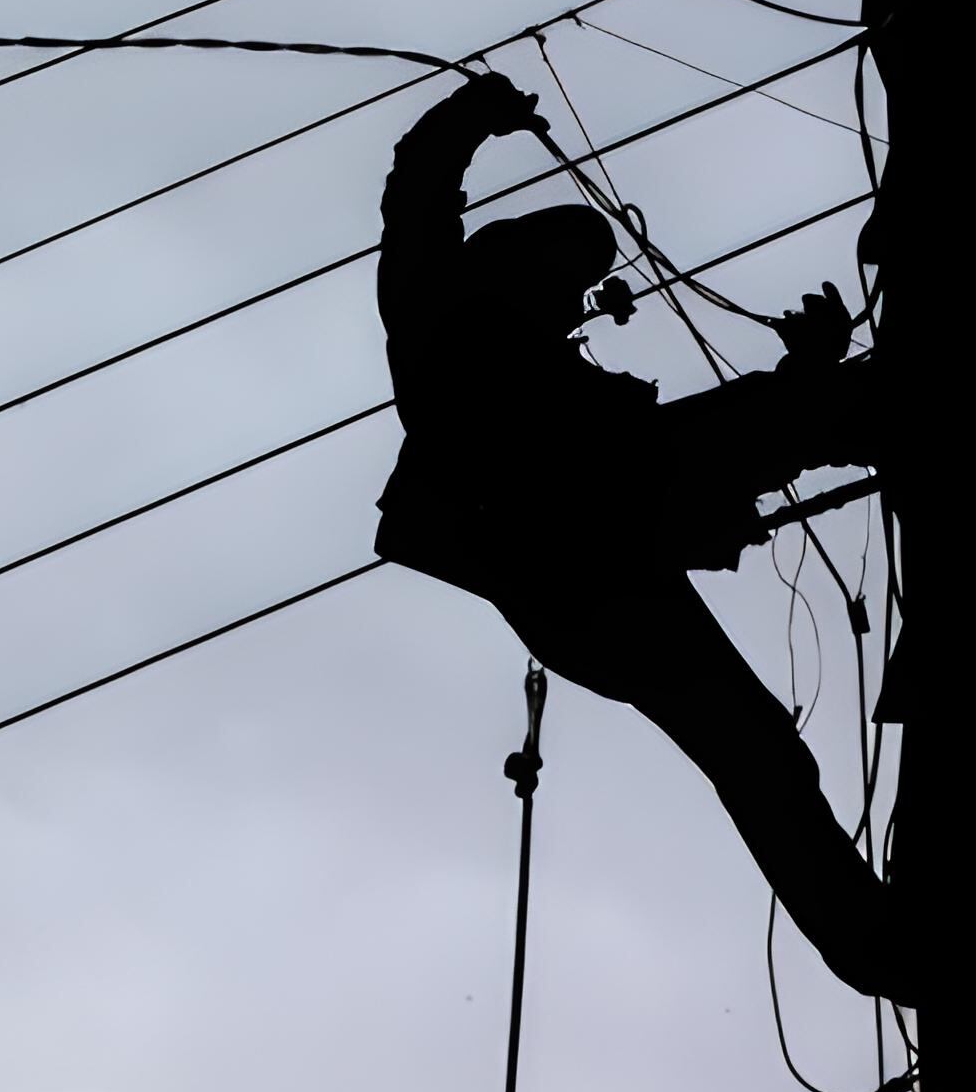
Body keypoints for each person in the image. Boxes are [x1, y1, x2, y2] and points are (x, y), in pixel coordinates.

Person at [376, 71, 914, 1002]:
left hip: (600, 563)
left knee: (756, 749)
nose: (575, 306)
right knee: (752, 747)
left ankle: (878, 949)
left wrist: (807, 379)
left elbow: (709, 448)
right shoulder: (438, 323)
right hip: (578, 561)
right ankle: (878, 949)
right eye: (563, 280)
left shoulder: (538, 372)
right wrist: (474, 116)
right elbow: (416, 187)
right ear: (512, 269)